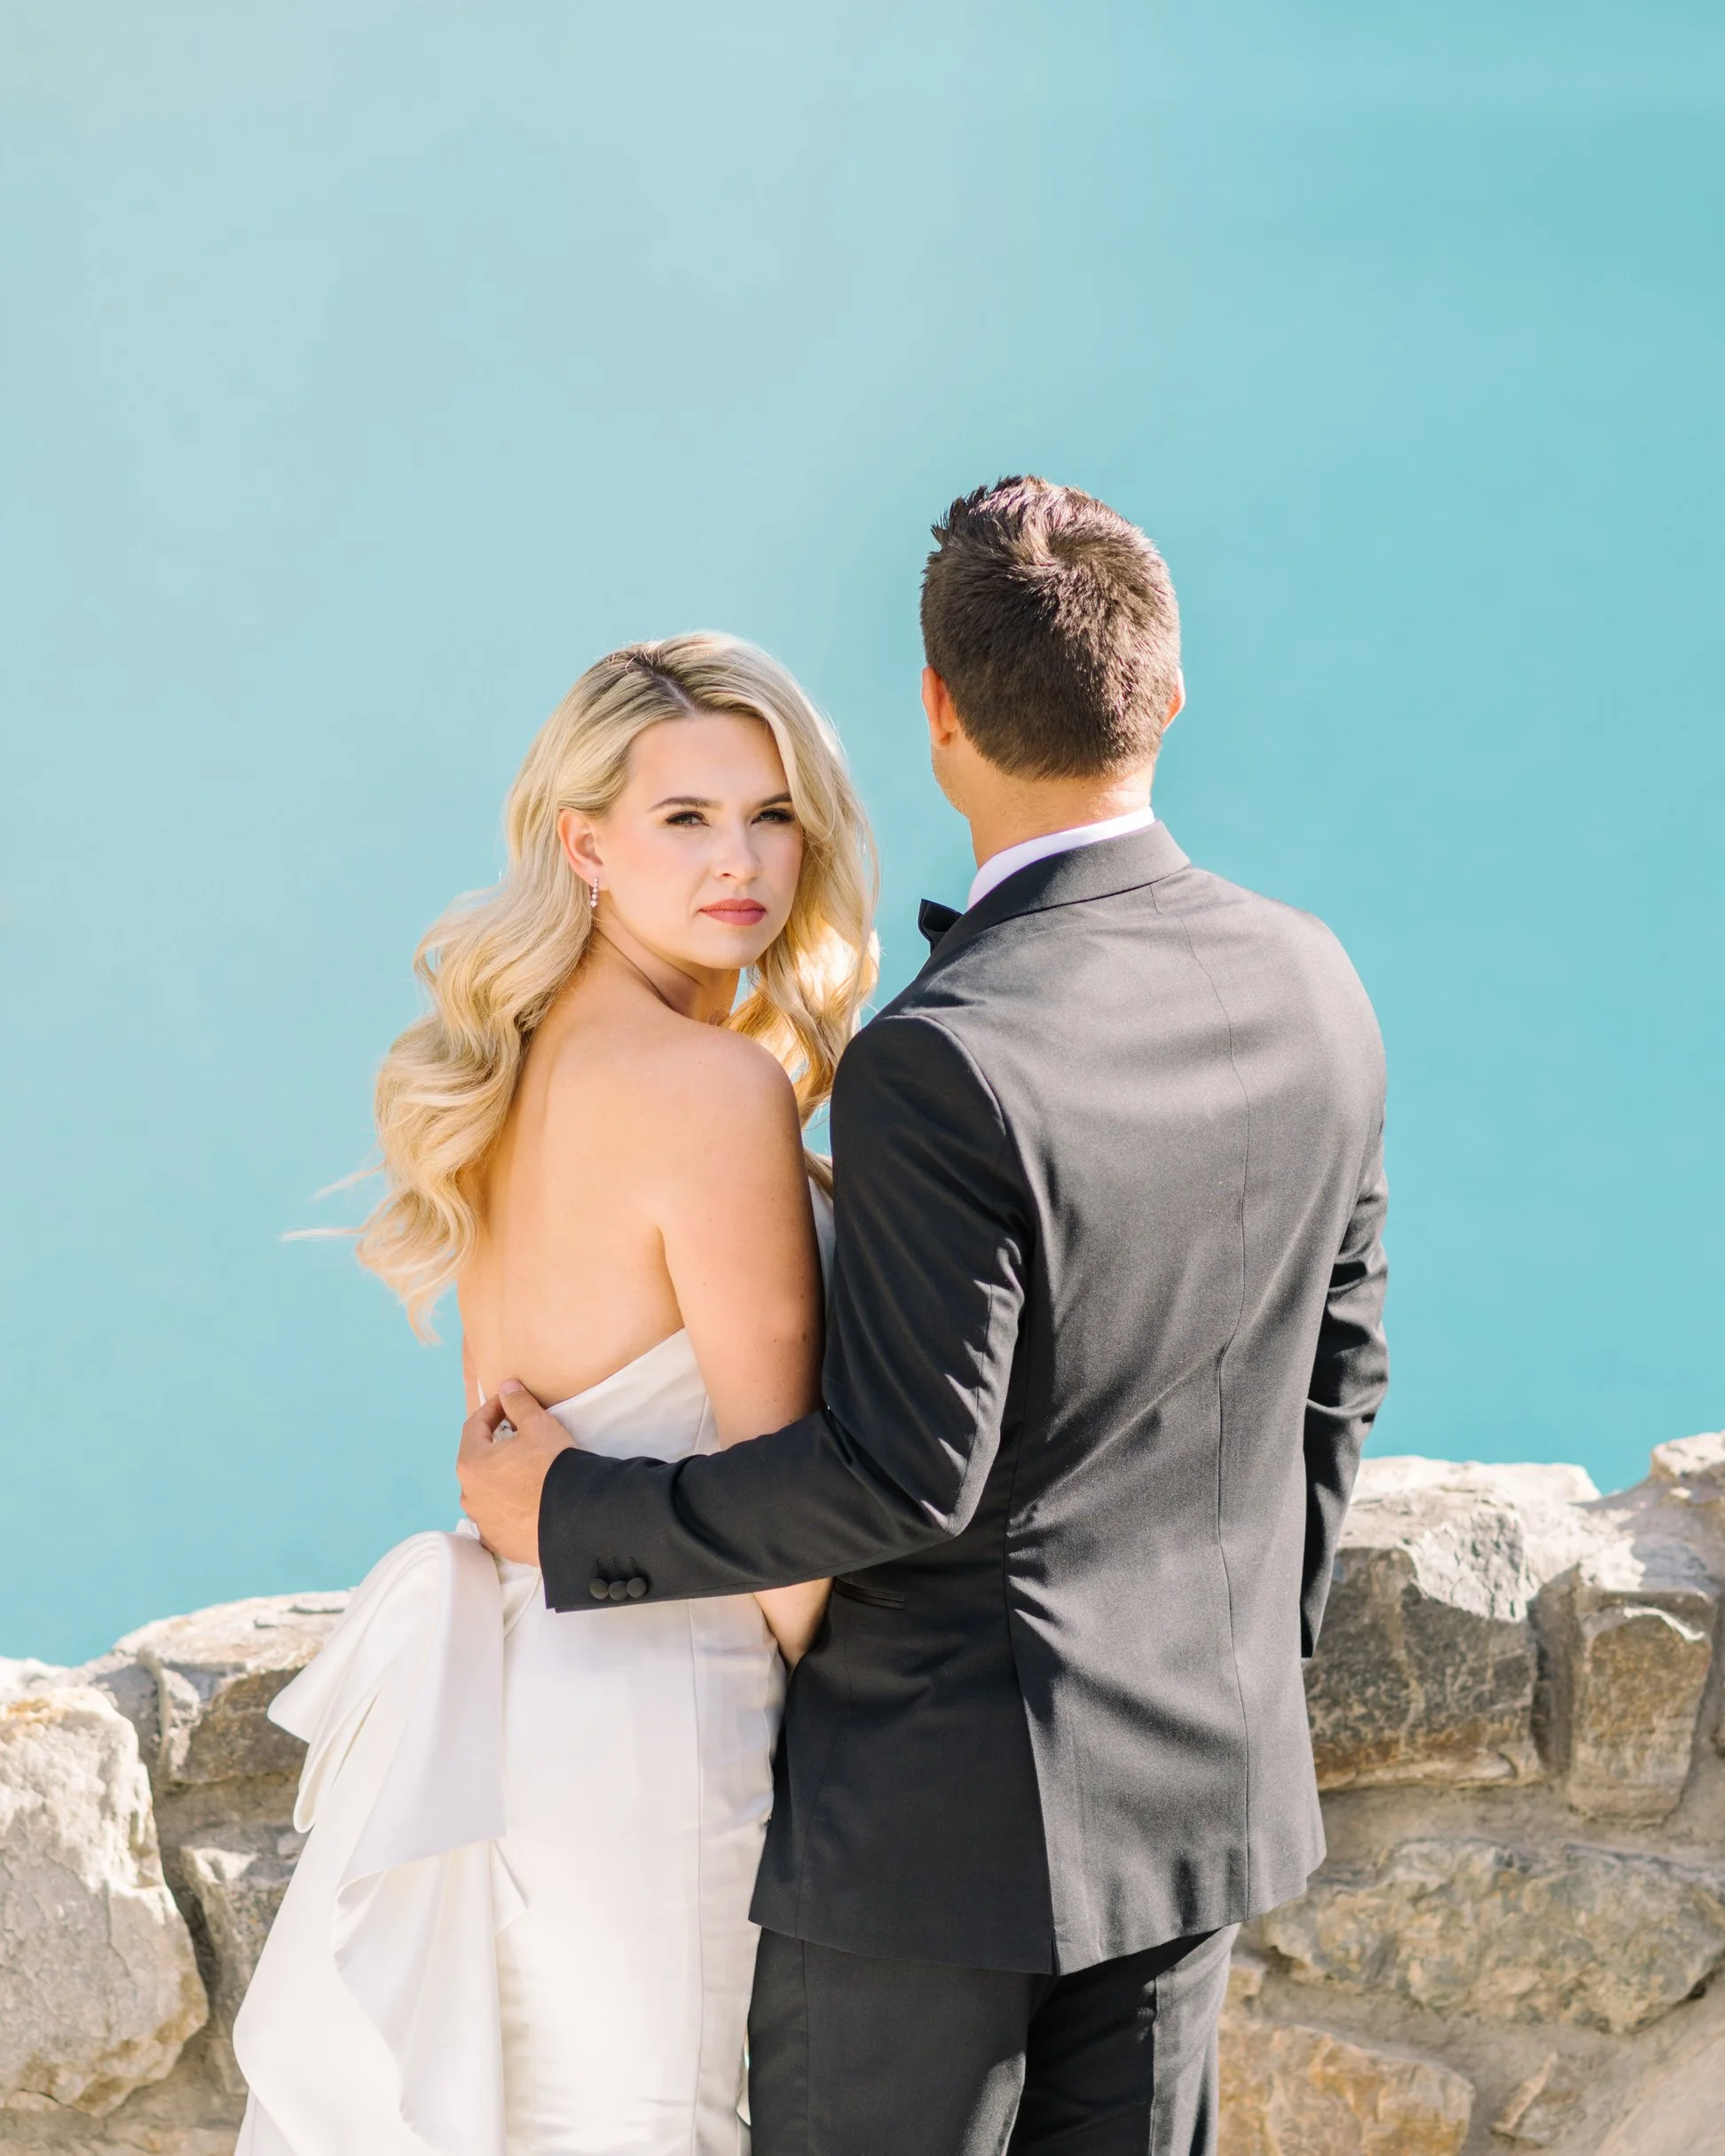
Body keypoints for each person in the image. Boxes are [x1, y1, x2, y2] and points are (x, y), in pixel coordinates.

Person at [461, 476, 1390, 2156]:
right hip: (1200, 1807)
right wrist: (1247, 1656)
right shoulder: (1311, 976)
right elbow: (1340, 1372)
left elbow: (905, 1475)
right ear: (1168, 693)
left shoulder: (942, 1052)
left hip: (922, 1849)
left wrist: (575, 1509)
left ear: (939, 715)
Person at [232, 635, 878, 2156]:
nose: (744, 860)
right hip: (666, 1700)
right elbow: (793, 1529)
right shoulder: (715, 1087)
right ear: (583, 842)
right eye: (686, 818)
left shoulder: (511, 1074)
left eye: (773, 815)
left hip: (528, 1687)